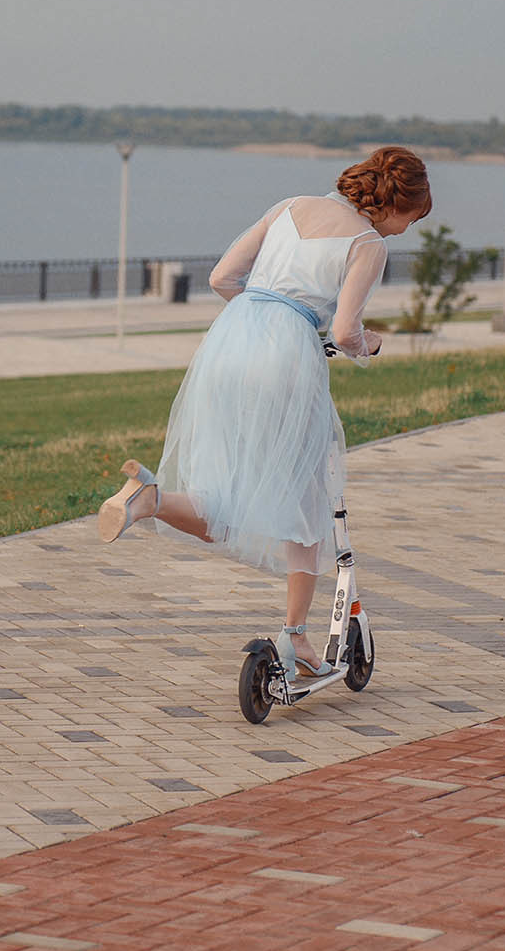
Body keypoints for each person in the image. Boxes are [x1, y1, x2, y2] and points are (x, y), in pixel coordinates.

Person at [96, 146, 430, 675]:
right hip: (285, 358)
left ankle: (151, 498)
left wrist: (259, 322)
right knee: (306, 500)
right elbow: (344, 332)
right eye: (409, 221)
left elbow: (222, 277)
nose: (403, 232)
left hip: (229, 346)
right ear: (394, 205)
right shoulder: (367, 243)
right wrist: (371, 345)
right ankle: (295, 636)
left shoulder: (288, 206)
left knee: (224, 493)